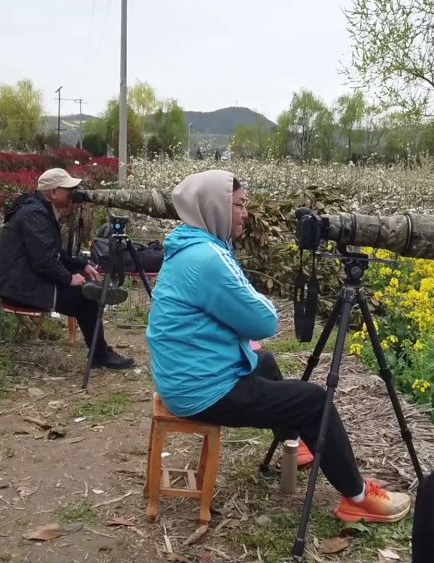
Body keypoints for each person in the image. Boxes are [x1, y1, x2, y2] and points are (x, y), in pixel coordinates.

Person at [146, 169, 412, 523]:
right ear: (215, 208)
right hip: (202, 389)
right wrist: (256, 302)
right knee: (315, 401)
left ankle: (295, 445)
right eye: (239, 205)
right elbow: (265, 322)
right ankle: (358, 497)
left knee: (265, 361)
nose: (245, 213)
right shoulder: (207, 259)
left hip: (183, 375)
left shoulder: (189, 245)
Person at [0, 168, 134, 370]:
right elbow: (43, 260)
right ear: (53, 192)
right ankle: (100, 354)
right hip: (19, 288)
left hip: (22, 282)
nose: (73, 195)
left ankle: (100, 350)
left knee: (85, 294)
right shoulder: (35, 214)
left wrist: (81, 265)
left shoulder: (38, 209)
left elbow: (54, 254)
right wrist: (68, 278)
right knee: (85, 298)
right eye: (69, 190)